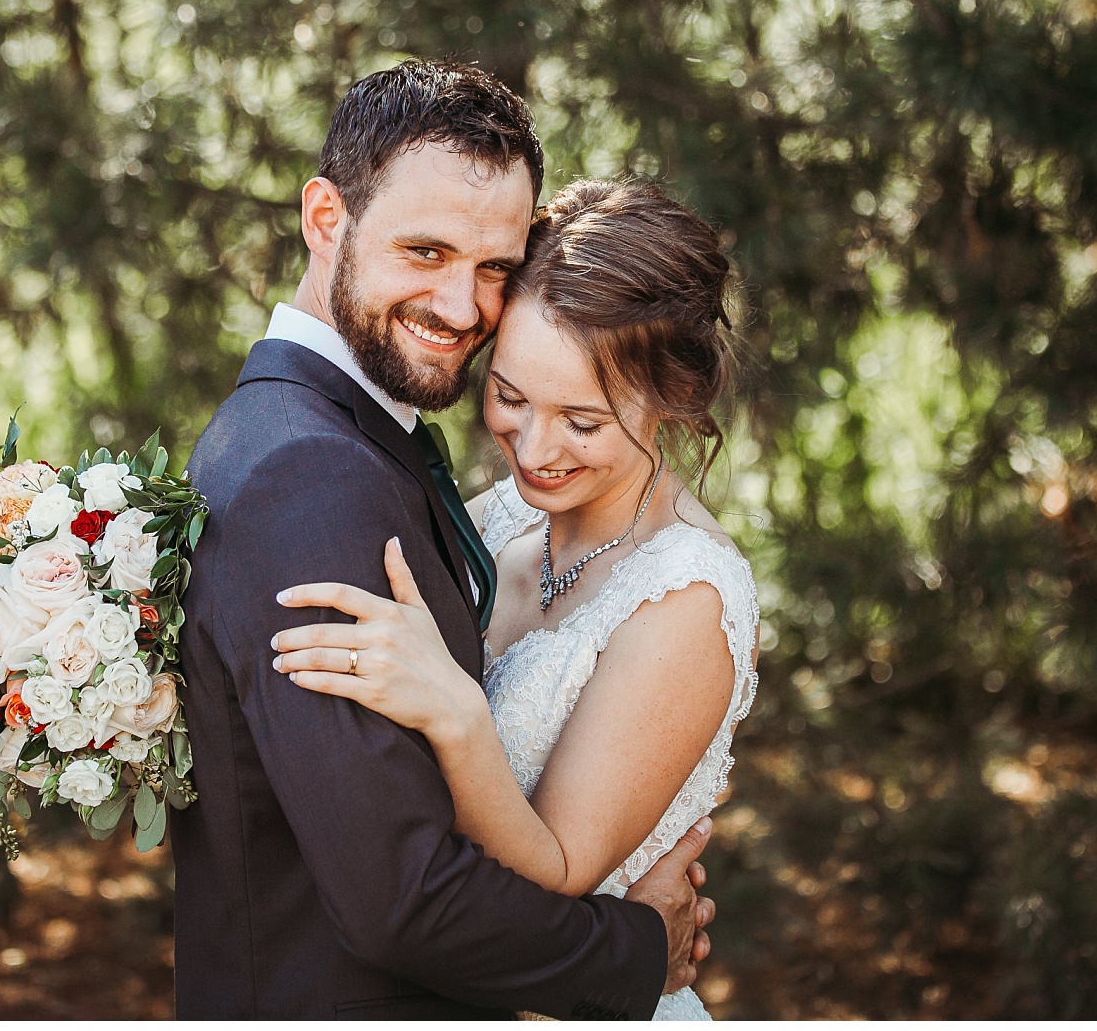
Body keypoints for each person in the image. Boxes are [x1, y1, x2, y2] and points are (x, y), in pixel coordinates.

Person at [172, 62, 716, 1019]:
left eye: (494, 268)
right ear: (326, 219)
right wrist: (634, 952)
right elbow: (403, 899)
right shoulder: (309, 474)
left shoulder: (322, 435)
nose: (463, 307)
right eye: (424, 252)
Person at [270, 178, 759, 1021]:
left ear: (672, 401)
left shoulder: (685, 597)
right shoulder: (496, 518)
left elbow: (563, 864)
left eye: (584, 421)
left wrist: (454, 714)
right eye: (511, 397)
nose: (535, 449)